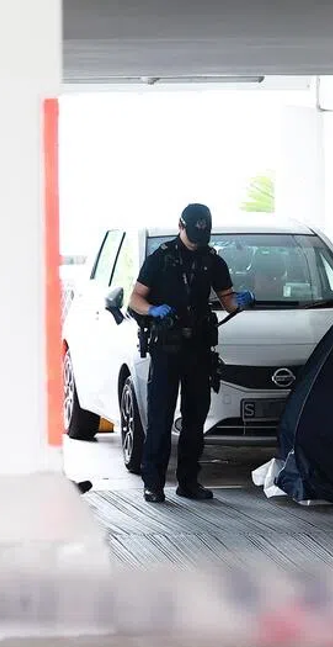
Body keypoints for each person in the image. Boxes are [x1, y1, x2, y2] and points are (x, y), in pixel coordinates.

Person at [128, 203, 255, 503]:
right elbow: (135, 298)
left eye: (204, 236)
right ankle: (154, 484)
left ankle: (188, 482)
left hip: (198, 349)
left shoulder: (212, 261)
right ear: (181, 226)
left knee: (195, 419)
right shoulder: (161, 258)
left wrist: (242, 301)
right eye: (194, 235)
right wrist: (153, 311)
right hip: (167, 349)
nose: (199, 241)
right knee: (160, 418)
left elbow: (227, 302)